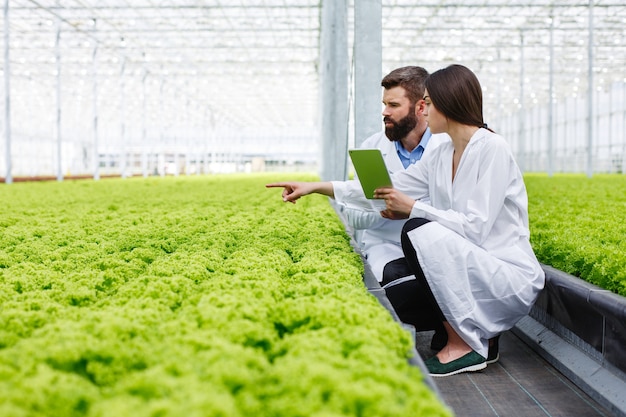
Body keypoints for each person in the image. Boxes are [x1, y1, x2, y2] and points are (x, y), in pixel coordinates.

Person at [266, 64, 545, 377]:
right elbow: (384, 190)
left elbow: (476, 227)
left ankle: (467, 345)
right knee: (404, 277)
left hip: (502, 271)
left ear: (449, 103)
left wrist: (413, 208)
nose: (424, 110)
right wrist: (317, 188)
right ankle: (478, 338)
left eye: (428, 102)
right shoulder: (443, 155)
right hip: (471, 267)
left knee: (418, 231)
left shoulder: (491, 148)